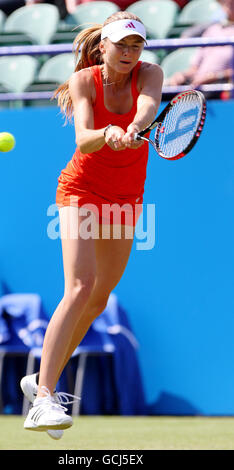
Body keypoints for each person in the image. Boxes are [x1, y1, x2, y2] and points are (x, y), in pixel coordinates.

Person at [21, 10, 163, 439]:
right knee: (80, 287)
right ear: (102, 46)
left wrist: (135, 127)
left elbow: (149, 107)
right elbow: (83, 137)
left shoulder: (150, 73)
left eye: (136, 45)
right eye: (121, 44)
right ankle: (44, 398)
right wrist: (110, 133)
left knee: (99, 299)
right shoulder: (86, 82)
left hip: (125, 198)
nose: (129, 52)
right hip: (80, 191)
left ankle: (41, 380)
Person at [165, 0, 234, 90]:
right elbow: (194, 68)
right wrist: (182, 75)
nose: (229, 4)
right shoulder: (212, 29)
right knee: (164, 89)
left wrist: (213, 77)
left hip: (220, 85)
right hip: (198, 84)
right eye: (226, 2)